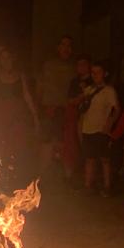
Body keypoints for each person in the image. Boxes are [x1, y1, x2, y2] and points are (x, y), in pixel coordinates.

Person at [0, 45, 40, 183]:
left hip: (18, 115)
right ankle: (4, 177)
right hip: (2, 115)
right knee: (3, 146)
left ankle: (20, 177)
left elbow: (27, 95)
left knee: (20, 145)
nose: (6, 61)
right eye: (3, 58)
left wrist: (35, 115)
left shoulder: (20, 75)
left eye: (8, 57)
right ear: (0, 60)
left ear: (13, 58)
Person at [79, 61, 120, 197]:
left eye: (98, 72)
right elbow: (82, 109)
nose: (95, 75)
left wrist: (109, 124)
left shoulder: (109, 91)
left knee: (105, 159)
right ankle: (88, 185)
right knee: (89, 159)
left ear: (105, 74)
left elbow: (116, 109)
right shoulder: (88, 90)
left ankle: (107, 186)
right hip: (87, 129)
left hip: (101, 129)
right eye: (93, 72)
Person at [37, 35, 75, 177]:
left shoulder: (73, 68)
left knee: (66, 143)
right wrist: (39, 108)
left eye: (69, 46)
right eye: (63, 45)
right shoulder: (48, 65)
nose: (66, 48)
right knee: (47, 142)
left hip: (66, 110)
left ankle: (67, 176)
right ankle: (42, 175)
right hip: (49, 108)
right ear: (58, 47)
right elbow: (40, 87)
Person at [63, 54, 93, 183]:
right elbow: (71, 100)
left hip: (91, 118)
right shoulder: (74, 82)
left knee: (88, 145)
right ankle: (72, 175)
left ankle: (89, 177)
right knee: (73, 145)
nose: (81, 67)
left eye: (84, 64)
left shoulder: (94, 81)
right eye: (79, 65)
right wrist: (82, 96)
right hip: (75, 116)